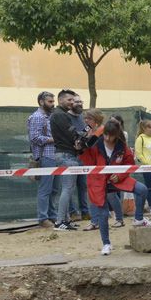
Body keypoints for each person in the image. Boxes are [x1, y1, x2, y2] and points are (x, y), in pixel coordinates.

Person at [78, 117, 151, 255]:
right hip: (98, 181)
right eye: (105, 134)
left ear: (117, 135)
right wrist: (81, 150)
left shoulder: (122, 146)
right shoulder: (95, 144)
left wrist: (120, 175)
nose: (107, 138)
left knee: (142, 189)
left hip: (118, 179)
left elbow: (129, 165)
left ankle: (138, 219)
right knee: (103, 213)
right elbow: (87, 161)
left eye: (111, 136)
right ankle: (106, 244)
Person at [80, 109, 125, 230]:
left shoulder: (102, 130)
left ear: (95, 119)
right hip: (92, 166)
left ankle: (119, 219)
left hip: (106, 165)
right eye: (85, 118)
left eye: (88, 118)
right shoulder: (89, 131)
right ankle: (95, 221)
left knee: (111, 195)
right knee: (92, 193)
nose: (86, 121)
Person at [49, 89, 84, 230]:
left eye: (73, 100)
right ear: (61, 100)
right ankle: (59, 222)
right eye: (69, 100)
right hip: (66, 155)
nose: (72, 102)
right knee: (67, 189)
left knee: (68, 189)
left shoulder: (60, 115)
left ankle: (65, 220)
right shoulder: (60, 115)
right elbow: (72, 134)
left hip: (66, 154)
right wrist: (81, 136)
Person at [27, 91, 58, 227]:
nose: (53, 104)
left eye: (53, 101)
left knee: (54, 189)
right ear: (41, 102)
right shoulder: (37, 117)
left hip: (54, 155)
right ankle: (43, 218)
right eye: (50, 101)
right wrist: (54, 139)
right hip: (45, 156)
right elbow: (34, 138)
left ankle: (52, 216)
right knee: (45, 189)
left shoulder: (50, 116)